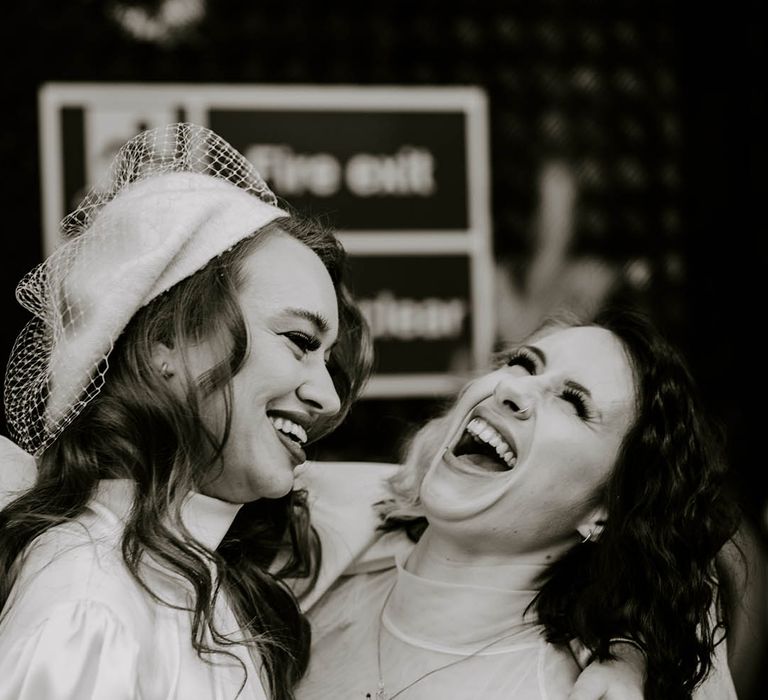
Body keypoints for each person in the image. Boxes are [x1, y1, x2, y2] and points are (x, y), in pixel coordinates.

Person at [0, 122, 371, 700]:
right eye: (299, 340)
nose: (327, 398)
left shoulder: (194, 574)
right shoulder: (90, 609)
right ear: (164, 343)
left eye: (329, 362)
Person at [294, 307, 741, 700]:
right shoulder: (306, 547)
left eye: (572, 402)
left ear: (604, 512)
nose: (513, 389)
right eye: (523, 364)